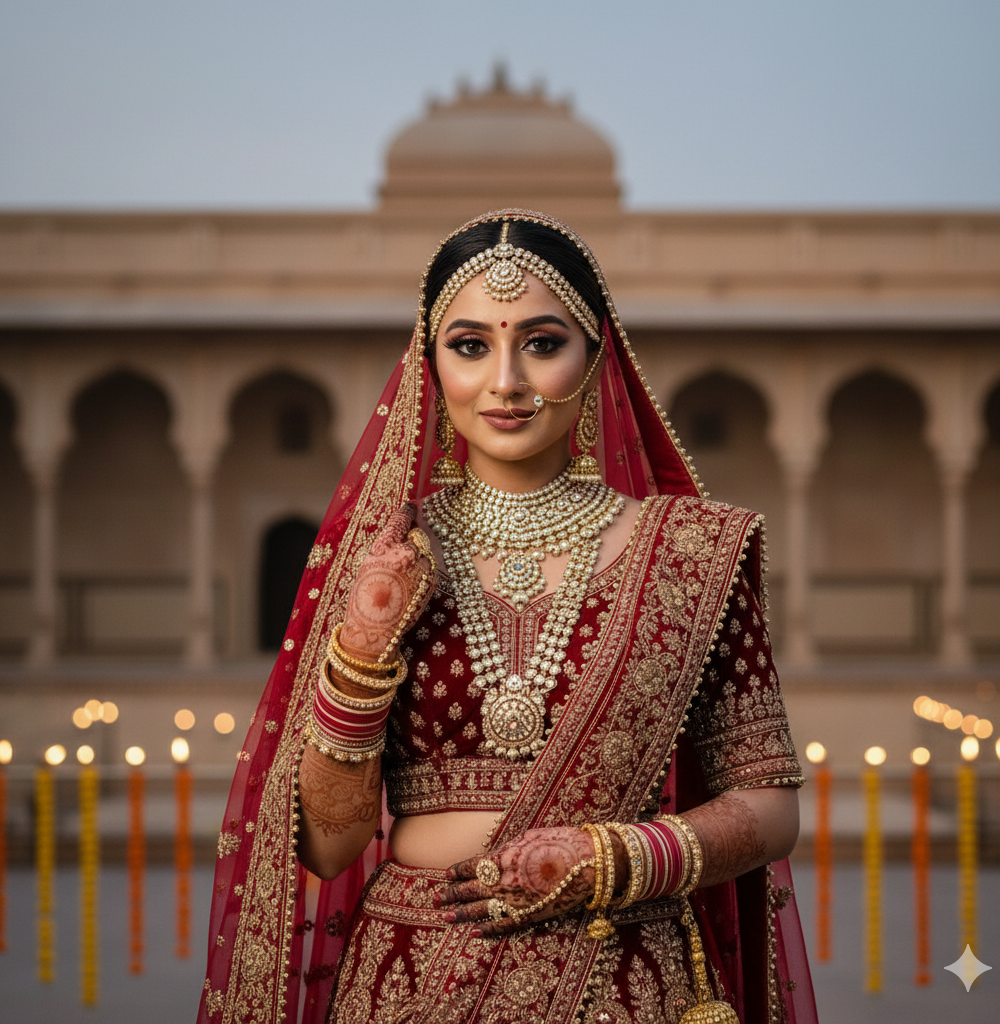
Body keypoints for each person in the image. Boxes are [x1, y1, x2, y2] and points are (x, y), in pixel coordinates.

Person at [198, 210, 817, 1024]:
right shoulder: (386, 560)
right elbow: (328, 846)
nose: (506, 381)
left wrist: (612, 855)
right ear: (431, 366)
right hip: (415, 976)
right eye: (470, 345)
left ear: (596, 358)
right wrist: (361, 651)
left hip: (622, 976)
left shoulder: (696, 552)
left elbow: (770, 809)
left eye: (542, 341)